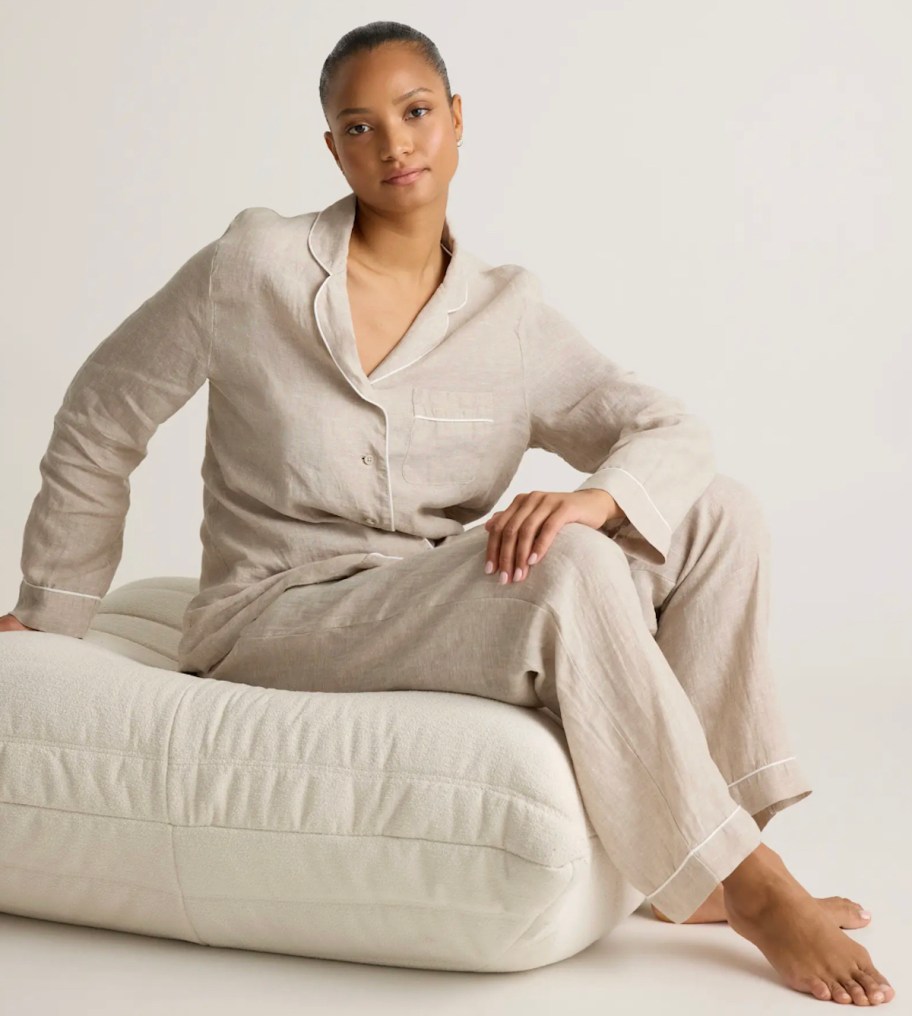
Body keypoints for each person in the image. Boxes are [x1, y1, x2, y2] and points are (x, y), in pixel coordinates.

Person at [1, 20, 894, 1006]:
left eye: (417, 112)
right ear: (334, 148)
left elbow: (671, 430)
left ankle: (713, 847)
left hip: (427, 599)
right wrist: (55, 606)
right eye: (360, 125)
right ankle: (750, 883)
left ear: (458, 121)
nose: (395, 145)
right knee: (570, 564)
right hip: (277, 616)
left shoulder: (509, 317)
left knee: (717, 511)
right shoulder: (253, 265)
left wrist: (593, 496)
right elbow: (103, 406)